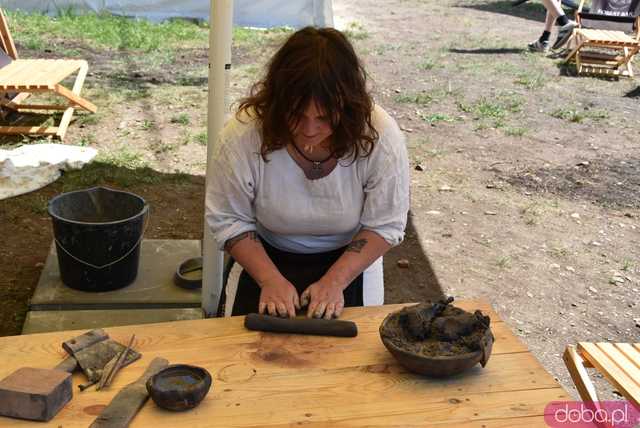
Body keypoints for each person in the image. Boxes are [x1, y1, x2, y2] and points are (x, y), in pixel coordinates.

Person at [205, 27, 410, 320]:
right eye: (296, 115)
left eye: (324, 118)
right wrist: (269, 280)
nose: (310, 130)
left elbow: (386, 223)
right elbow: (228, 218)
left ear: (348, 106)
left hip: (350, 257)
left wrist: (335, 281)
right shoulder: (243, 135)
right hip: (265, 254)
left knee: (351, 359)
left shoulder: (379, 135)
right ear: (276, 102)